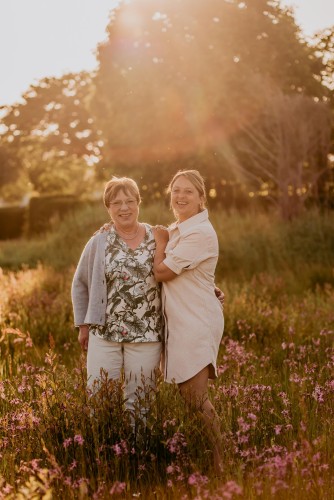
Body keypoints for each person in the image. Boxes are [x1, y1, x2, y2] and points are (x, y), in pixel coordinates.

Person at [71, 177, 163, 420]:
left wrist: (211, 288)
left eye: (130, 201)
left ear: (138, 203)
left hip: (147, 333)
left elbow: (183, 266)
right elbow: (80, 284)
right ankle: (105, 453)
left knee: (141, 403)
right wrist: (83, 325)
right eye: (117, 203)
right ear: (108, 208)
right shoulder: (99, 241)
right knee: (100, 400)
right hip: (104, 333)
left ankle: (138, 454)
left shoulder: (158, 237)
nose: (124, 208)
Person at [152, 169, 225, 474]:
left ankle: (220, 464)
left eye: (188, 192)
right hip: (182, 320)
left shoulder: (199, 232)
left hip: (196, 320)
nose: (180, 197)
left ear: (200, 198)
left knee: (195, 398)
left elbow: (162, 272)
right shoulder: (179, 229)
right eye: (176, 191)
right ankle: (209, 457)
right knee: (189, 397)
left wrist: (159, 241)